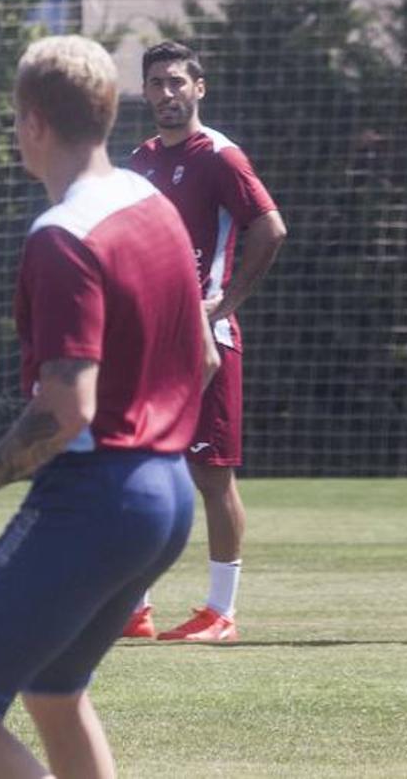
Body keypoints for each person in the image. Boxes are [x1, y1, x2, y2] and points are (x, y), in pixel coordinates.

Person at [0, 35, 219, 778]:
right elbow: (205, 358)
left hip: (98, 497)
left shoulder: (63, 236)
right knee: (53, 690)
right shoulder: (152, 204)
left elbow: (67, 409)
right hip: (169, 495)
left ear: (33, 123)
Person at [121, 41, 286, 642]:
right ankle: (135, 609)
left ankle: (222, 611)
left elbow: (270, 227)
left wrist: (223, 307)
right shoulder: (139, 161)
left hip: (207, 342)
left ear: (199, 89)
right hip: (150, 343)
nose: (167, 93)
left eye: (177, 82)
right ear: (145, 92)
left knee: (211, 474)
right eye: (157, 83)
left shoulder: (220, 156)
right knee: (137, 468)